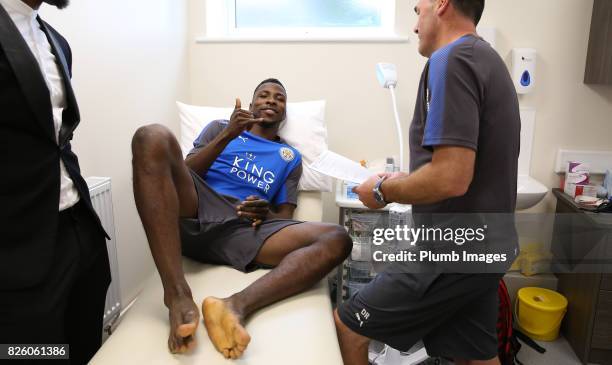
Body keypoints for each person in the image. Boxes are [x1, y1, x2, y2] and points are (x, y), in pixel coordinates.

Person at [334, 0, 520, 364]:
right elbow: (463, 166)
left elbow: (451, 178)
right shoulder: (487, 60)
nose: (415, 26)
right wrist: (407, 179)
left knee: (350, 326)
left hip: (452, 251)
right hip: (488, 247)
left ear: (441, 4)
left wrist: (380, 190)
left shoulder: (452, 60)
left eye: (417, 12)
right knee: (475, 355)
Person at [131, 78, 352, 359]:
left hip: (243, 229)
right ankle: (177, 295)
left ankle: (234, 307)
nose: (271, 100)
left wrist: (265, 211)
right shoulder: (219, 128)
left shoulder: (289, 157)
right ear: (251, 104)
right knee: (151, 136)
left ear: (284, 113)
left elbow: (285, 217)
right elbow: (181, 177)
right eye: (263, 95)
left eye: (279, 98)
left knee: (337, 238)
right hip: (197, 207)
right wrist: (229, 135)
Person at [0, 0, 112, 363]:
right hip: (19, 250)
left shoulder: (56, 40)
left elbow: (56, 137)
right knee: (34, 353)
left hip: (79, 232)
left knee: (85, 345)